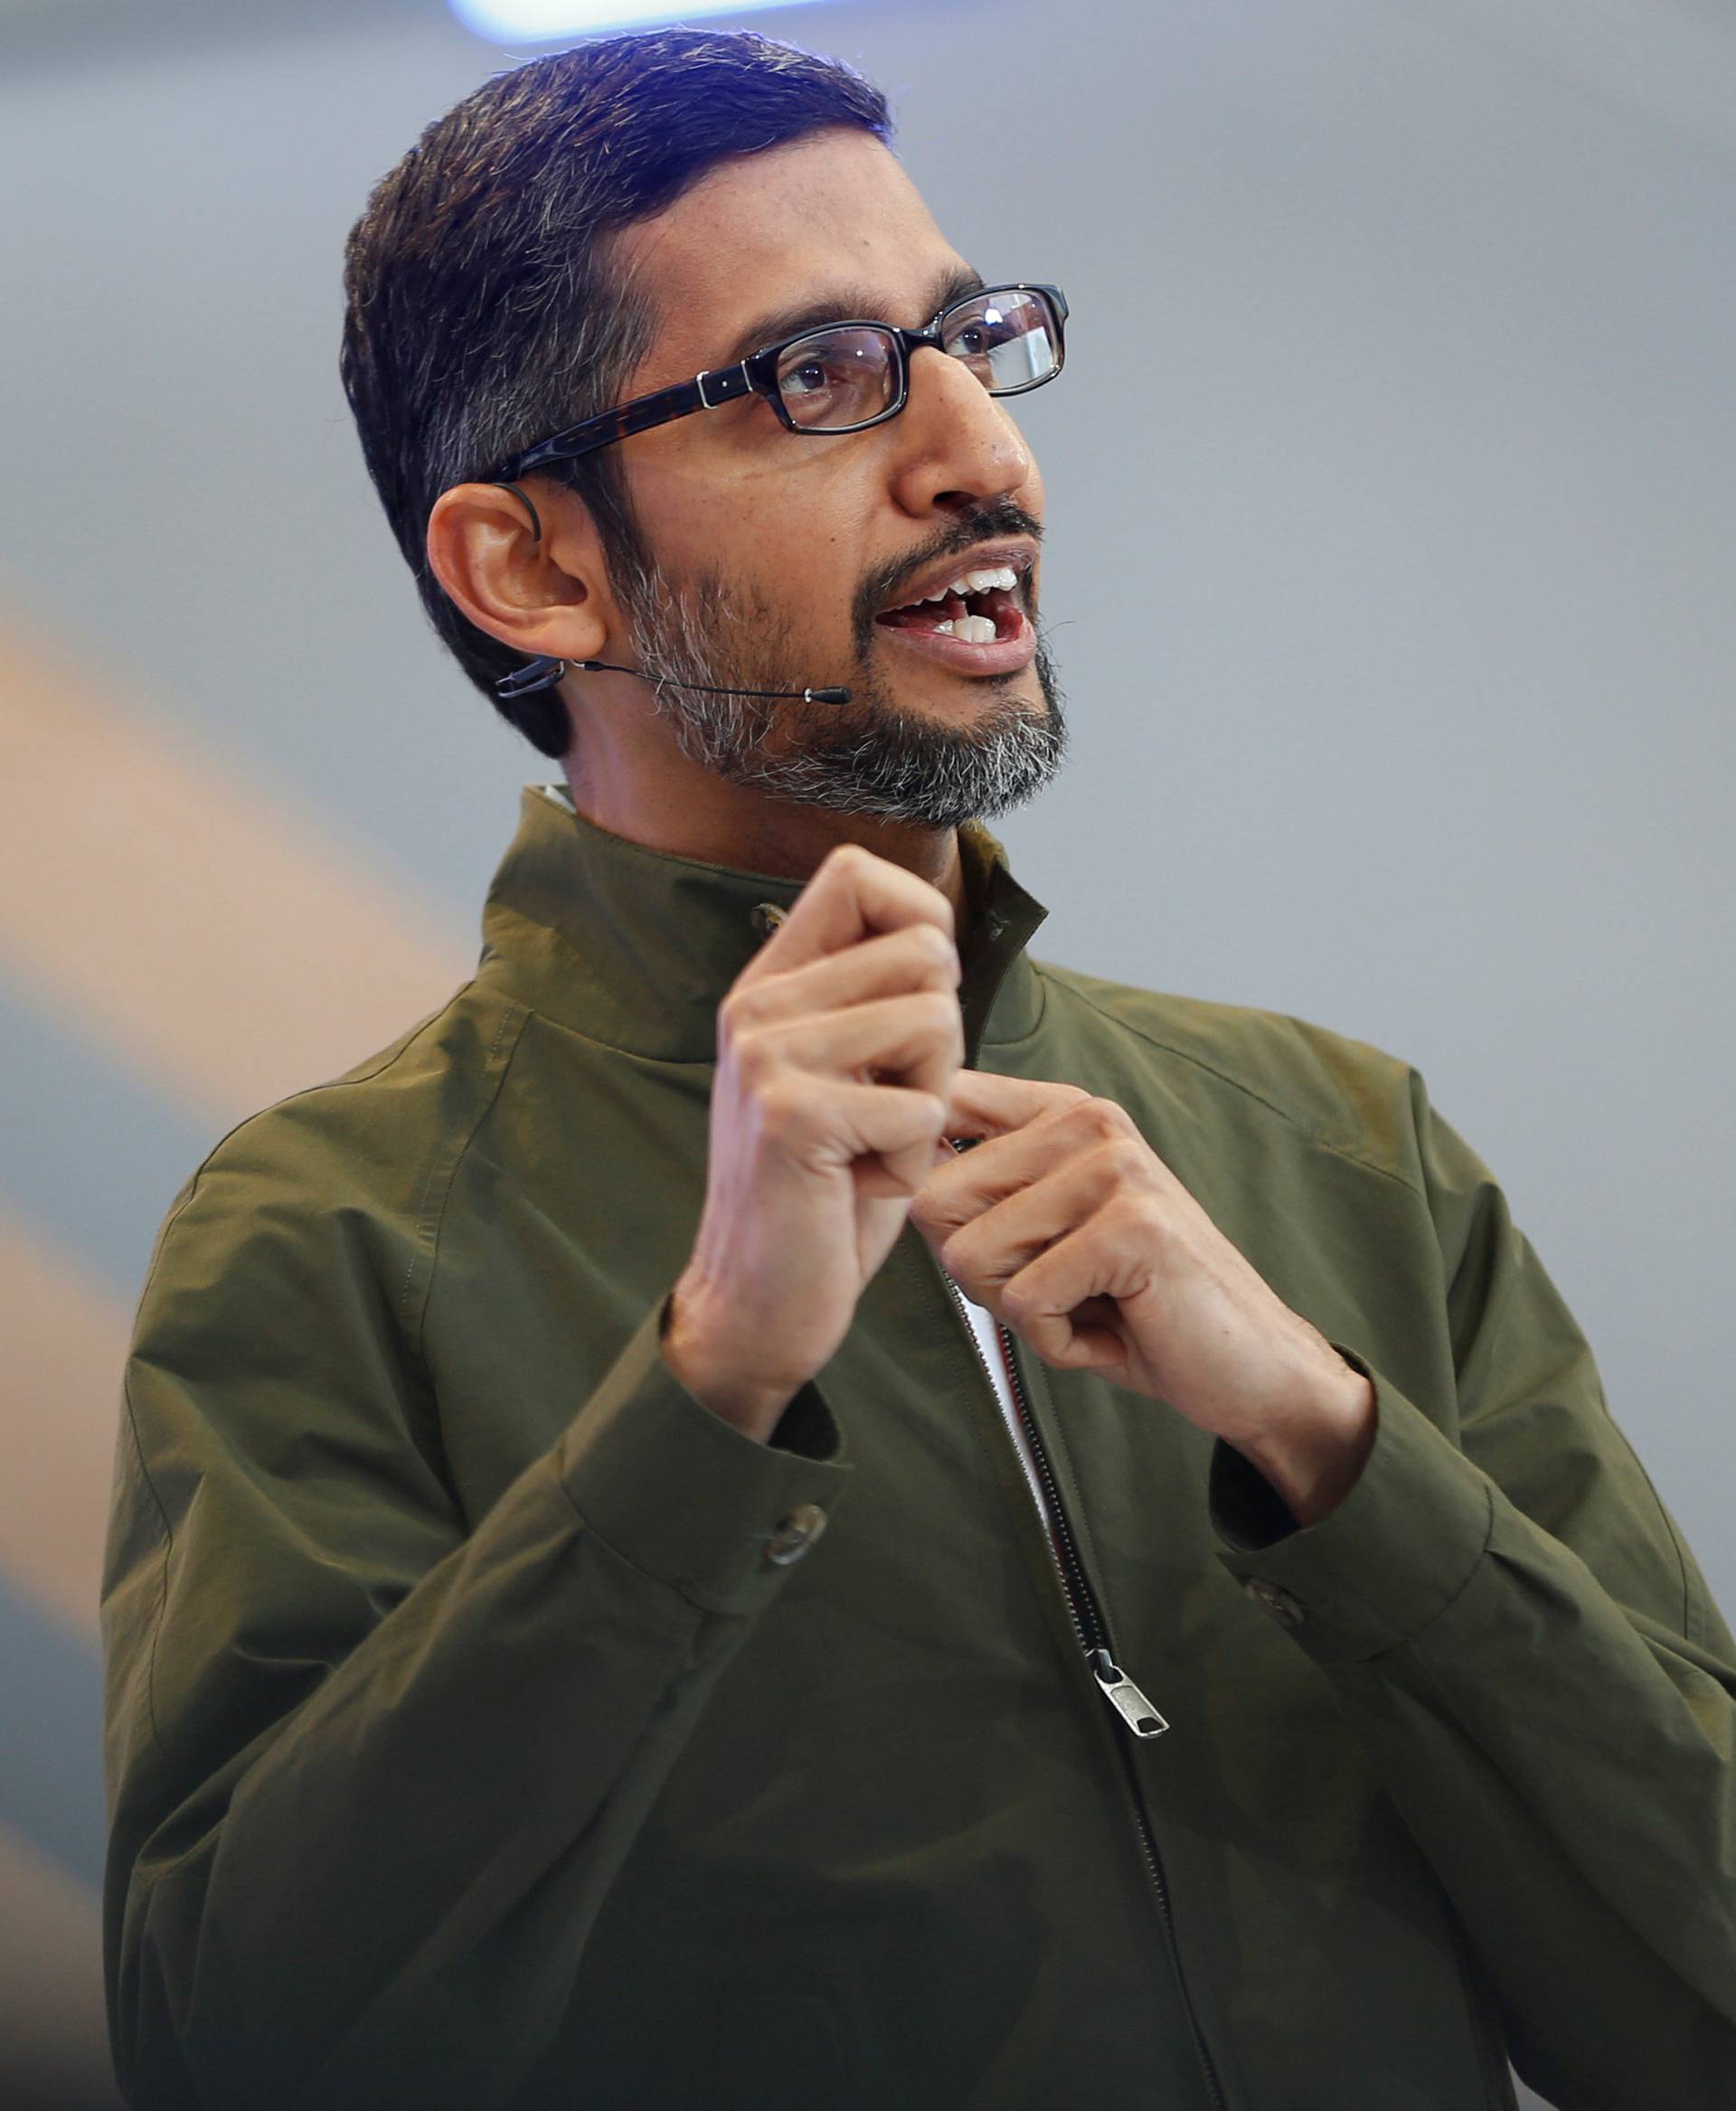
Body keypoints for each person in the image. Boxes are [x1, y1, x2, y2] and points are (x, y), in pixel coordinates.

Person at [99, 28, 1736, 2111]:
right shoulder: (323, 1239)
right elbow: (232, 2047)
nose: (987, 455)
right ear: (535, 564)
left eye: (971, 339)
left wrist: (1327, 1446)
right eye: (818, 377)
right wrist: (707, 1395)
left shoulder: (1349, 1151)